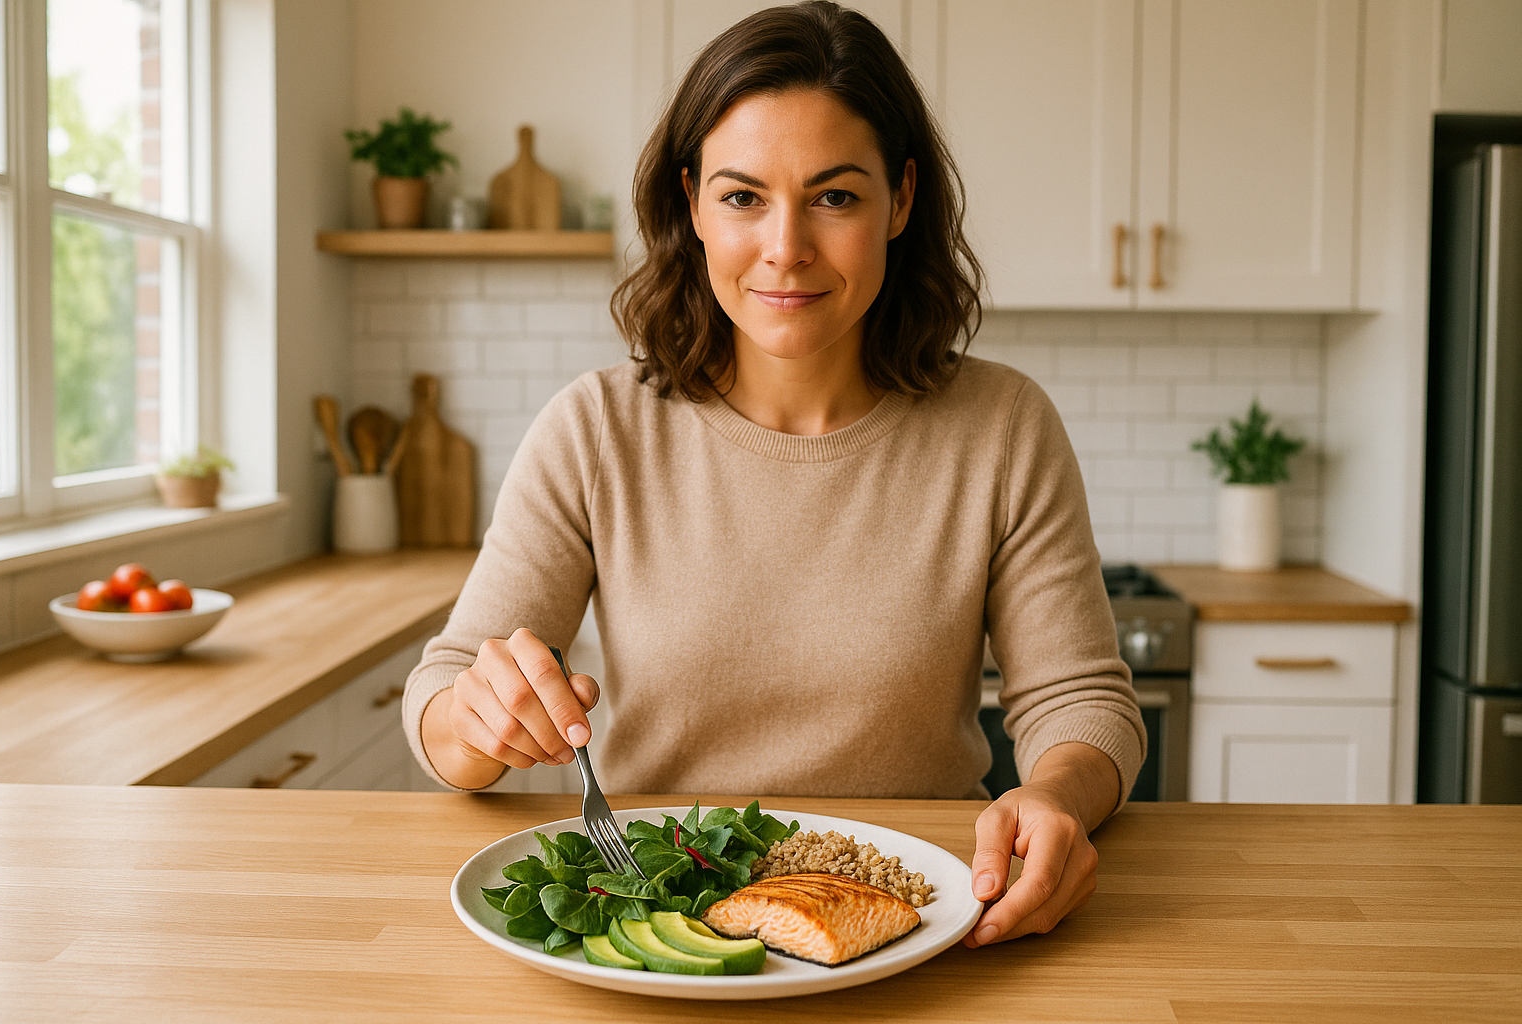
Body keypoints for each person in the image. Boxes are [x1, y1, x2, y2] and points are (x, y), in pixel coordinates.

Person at [403, 1, 1144, 948]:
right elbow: (445, 697)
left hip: (921, 916)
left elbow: (1081, 701)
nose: (785, 247)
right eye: (743, 196)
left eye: (835, 197)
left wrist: (1053, 796)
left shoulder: (1002, 426)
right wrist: (478, 723)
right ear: (692, 205)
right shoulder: (595, 429)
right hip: (661, 915)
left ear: (901, 199)